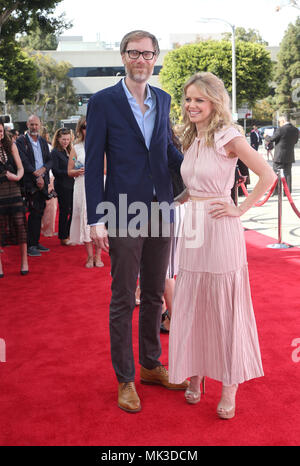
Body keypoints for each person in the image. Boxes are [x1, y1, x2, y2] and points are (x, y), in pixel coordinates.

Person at [85, 30, 188, 414]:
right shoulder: (103, 102)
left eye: (147, 53)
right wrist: (96, 217)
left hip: (162, 209)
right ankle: (125, 379)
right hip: (123, 211)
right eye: (134, 53)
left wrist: (197, 170)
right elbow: (94, 162)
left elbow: (166, 149)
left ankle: (149, 364)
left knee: (154, 295)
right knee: (124, 296)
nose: (141, 60)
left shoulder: (163, 98)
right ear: (123, 56)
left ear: (156, 56)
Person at [168, 72, 276, 420]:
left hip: (220, 227)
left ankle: (229, 386)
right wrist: (180, 200)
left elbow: (268, 175)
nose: (191, 105)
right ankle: (196, 373)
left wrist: (240, 208)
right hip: (194, 227)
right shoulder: (192, 138)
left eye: (199, 99)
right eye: (188, 99)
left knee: (223, 305)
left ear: (214, 102)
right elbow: (195, 183)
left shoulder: (228, 135)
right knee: (195, 301)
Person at [68, 117, 103, 268]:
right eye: (84, 127)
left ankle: (98, 256)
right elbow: (69, 171)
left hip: (97, 186)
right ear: (80, 129)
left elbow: (107, 169)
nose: (87, 130)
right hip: (81, 187)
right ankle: (90, 256)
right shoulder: (76, 148)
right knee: (85, 220)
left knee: (99, 220)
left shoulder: (102, 146)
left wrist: (93, 171)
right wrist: (77, 171)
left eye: (90, 126)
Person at [16, 115, 52, 257]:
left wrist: (42, 172)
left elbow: (50, 161)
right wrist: (36, 175)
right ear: (27, 124)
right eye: (32, 124)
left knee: (39, 212)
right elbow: (23, 161)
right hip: (29, 183)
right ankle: (30, 245)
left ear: (40, 125)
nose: (34, 127)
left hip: (43, 181)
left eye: (36, 124)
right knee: (33, 213)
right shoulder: (21, 141)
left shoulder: (43, 141)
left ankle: (35, 242)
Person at [0, 118, 28, 276]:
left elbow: (20, 168)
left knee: (20, 225)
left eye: (1, 131)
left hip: (14, 191)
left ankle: (24, 261)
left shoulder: (11, 146)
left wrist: (17, 177)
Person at [51, 128, 74, 246]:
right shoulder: (55, 152)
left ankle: (68, 233)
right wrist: (70, 172)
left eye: (68, 139)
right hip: (62, 185)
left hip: (72, 184)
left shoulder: (70, 150)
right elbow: (55, 171)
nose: (66, 141)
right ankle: (63, 236)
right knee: (65, 211)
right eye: (64, 139)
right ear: (58, 139)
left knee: (74, 210)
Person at [269, 115, 299, 194]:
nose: (279, 124)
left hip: (279, 155)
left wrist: (266, 136)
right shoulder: (295, 130)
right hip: (289, 155)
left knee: (276, 173)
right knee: (288, 174)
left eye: (279, 122)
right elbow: (295, 141)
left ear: (282, 121)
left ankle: (276, 191)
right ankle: (287, 192)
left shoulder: (281, 129)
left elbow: (272, 139)